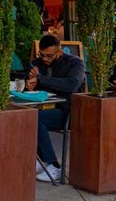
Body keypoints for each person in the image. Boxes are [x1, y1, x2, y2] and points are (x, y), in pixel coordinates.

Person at [29, 33, 85, 182]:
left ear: (59, 52)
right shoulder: (38, 63)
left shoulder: (75, 63)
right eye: (42, 55)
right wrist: (30, 82)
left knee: (35, 118)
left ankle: (54, 165)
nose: (45, 59)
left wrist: (40, 79)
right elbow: (31, 83)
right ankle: (43, 160)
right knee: (27, 116)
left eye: (49, 56)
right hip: (45, 106)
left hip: (69, 110)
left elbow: (71, 85)